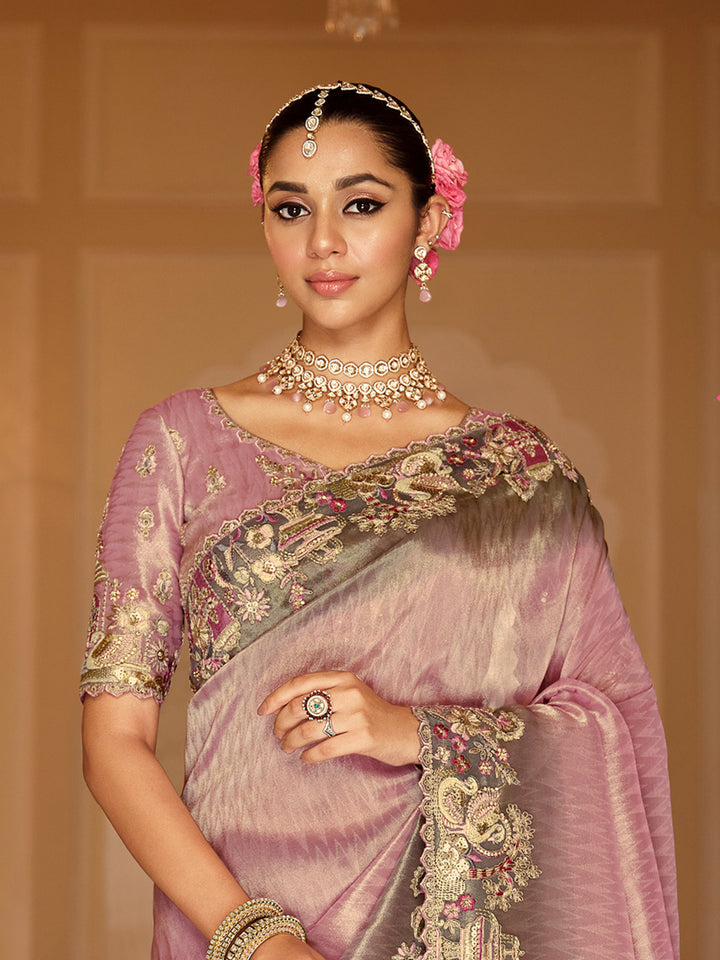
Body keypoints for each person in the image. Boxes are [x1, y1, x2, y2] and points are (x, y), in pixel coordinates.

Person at [80, 81, 679, 960]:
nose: (323, 242)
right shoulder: (176, 441)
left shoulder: (520, 477)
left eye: (362, 204)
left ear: (430, 222)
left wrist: (417, 733)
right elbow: (115, 744)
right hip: (238, 928)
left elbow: (609, 725)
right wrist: (256, 939)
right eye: (291, 209)